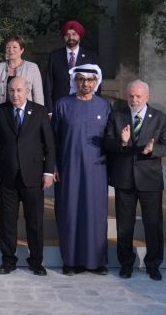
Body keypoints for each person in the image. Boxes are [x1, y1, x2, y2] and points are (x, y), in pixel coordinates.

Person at [101, 79, 166, 281]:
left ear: (147, 97)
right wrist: (121, 142)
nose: (134, 99)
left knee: (153, 224)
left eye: (138, 96)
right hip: (124, 179)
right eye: (131, 95)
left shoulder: (160, 118)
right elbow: (106, 142)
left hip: (150, 180)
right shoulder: (117, 116)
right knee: (125, 225)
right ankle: (126, 264)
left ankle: (153, 264)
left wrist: (153, 150)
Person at [0, 76, 54, 276]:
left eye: (18, 91)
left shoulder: (40, 112)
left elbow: (49, 145)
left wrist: (48, 171)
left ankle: (36, 261)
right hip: (7, 176)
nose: (15, 95)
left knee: (34, 221)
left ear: (28, 91)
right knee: (8, 221)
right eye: (11, 91)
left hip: (33, 176)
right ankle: (8, 260)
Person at [52, 64, 111, 275]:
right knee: (69, 213)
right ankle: (70, 261)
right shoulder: (62, 105)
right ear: (74, 81)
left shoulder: (104, 107)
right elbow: (53, 141)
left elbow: (110, 141)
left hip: (97, 170)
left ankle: (97, 262)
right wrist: (53, 167)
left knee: (95, 214)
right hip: (68, 169)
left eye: (89, 80)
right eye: (80, 79)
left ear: (96, 82)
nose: (85, 83)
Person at [44, 20, 99, 107]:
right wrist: (50, 110)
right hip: (60, 105)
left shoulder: (91, 56)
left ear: (79, 36)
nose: (70, 38)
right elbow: (48, 84)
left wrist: (95, 105)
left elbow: (97, 83)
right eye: (67, 35)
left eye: (74, 34)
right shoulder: (55, 56)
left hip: (84, 104)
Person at [0, 35, 44, 107]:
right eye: (8, 47)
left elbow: (38, 95)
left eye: (14, 47)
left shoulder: (32, 67)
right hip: (2, 112)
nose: (11, 50)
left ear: (22, 50)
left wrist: (39, 113)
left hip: (26, 112)